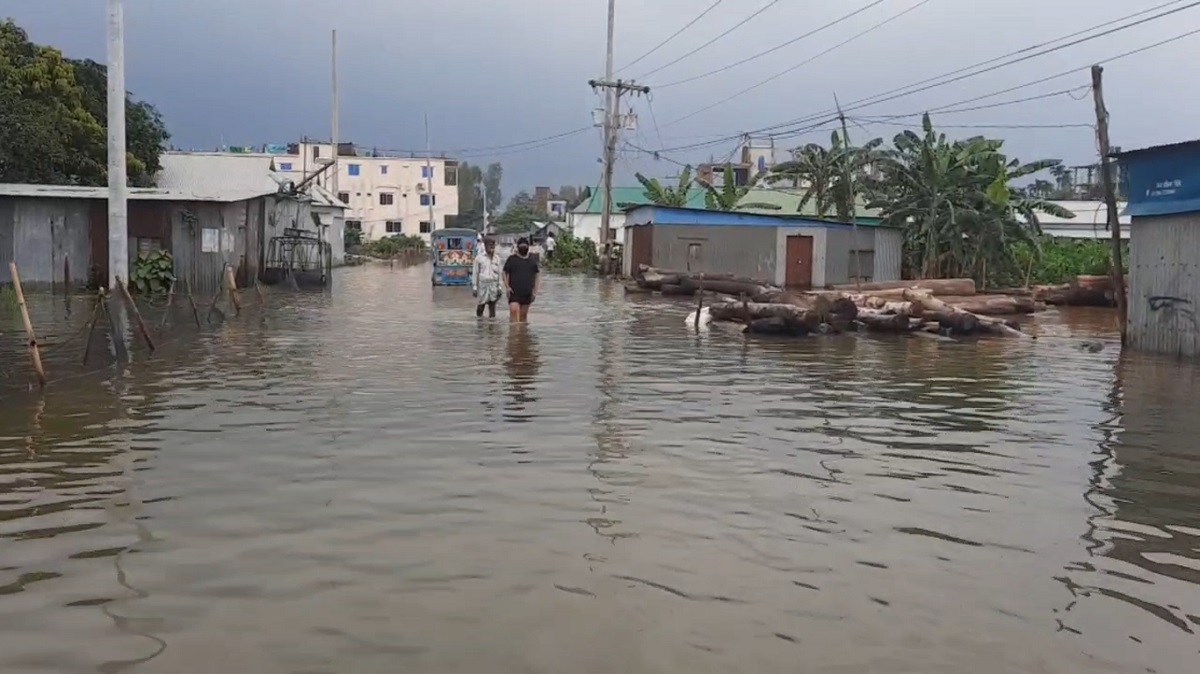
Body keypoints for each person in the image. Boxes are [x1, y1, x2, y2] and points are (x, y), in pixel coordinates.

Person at [503, 236, 539, 322]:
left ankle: (523, 335)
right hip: (514, 292)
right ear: (518, 247)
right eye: (521, 246)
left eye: (525, 246)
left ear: (528, 247)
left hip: (527, 293)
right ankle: (513, 334)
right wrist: (507, 287)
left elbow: (537, 275)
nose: (523, 248)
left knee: (523, 318)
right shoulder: (511, 259)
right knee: (514, 314)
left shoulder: (532, 260)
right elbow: (504, 273)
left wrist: (535, 291)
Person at [472, 237, 503, 318]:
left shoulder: (497, 258)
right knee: (481, 305)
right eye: (490, 245)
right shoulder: (479, 258)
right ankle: (479, 323)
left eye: (493, 245)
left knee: (492, 306)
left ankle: (491, 326)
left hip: (493, 285)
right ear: (485, 246)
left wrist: (500, 287)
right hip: (482, 285)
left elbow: (500, 273)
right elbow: (475, 273)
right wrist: (475, 287)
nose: (492, 247)